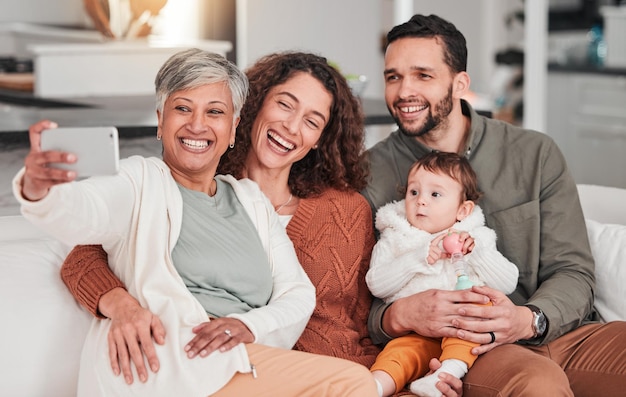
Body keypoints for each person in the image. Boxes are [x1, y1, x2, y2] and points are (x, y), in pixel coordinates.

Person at [58, 50, 463, 396]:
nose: (291, 127)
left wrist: (416, 370)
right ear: (254, 105)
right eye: (285, 105)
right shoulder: (191, 185)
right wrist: (121, 306)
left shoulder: (346, 210)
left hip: (347, 378)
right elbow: (83, 256)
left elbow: (368, 318)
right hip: (236, 374)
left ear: (321, 138)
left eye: (312, 120)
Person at [362, 13, 626, 396]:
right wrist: (401, 314)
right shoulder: (370, 175)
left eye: (423, 75)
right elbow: (357, 301)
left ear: (460, 83)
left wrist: (527, 319)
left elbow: (572, 270)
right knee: (539, 386)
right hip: (470, 349)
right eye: (393, 77)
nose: (404, 91)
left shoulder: (535, 153)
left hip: (561, 331)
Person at [365, 151, 518, 397]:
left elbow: (509, 282)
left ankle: (444, 374)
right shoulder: (395, 238)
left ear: (463, 210)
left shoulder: (478, 238)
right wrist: (417, 258)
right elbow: (377, 285)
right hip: (416, 333)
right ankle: (371, 388)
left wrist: (476, 253)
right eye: (414, 192)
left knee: (479, 312)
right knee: (398, 356)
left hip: (464, 330)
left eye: (435, 194)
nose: (421, 201)